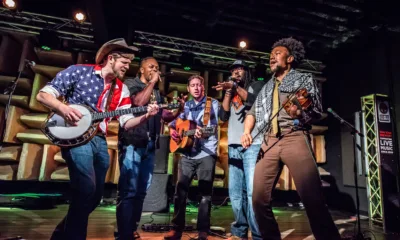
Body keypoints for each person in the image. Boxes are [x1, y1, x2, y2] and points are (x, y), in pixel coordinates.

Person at [36, 38, 160, 240]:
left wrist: (146, 115)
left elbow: (126, 122)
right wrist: (63, 109)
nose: (127, 68)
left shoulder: (121, 89)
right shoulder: (78, 71)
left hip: (99, 140)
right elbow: (43, 95)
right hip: (76, 137)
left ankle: (60, 235)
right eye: (124, 63)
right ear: (111, 58)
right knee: (85, 188)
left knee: (93, 197)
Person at [240, 37, 341, 240]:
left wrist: (300, 114)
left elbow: (314, 112)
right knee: (258, 199)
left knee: (312, 198)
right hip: (269, 141)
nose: (272, 56)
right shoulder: (266, 87)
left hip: (294, 137)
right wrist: (246, 132)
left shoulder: (302, 79)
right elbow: (251, 113)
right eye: (271, 54)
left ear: (290, 58)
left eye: (277, 53)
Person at [116, 56, 184, 240]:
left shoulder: (156, 93)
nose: (155, 70)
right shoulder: (131, 84)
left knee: (141, 192)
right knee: (128, 190)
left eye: (157, 68)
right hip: (132, 142)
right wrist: (153, 82)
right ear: (142, 70)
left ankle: (131, 229)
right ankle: (122, 232)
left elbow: (164, 117)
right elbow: (138, 103)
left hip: (149, 145)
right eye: (151, 67)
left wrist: (178, 110)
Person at [212, 60, 265, 240]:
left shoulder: (256, 85)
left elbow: (253, 102)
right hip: (234, 145)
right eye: (233, 70)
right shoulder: (232, 91)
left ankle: (258, 235)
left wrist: (235, 86)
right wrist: (228, 92)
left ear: (247, 71)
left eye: (239, 69)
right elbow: (223, 115)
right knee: (235, 193)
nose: (235, 72)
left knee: (251, 193)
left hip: (252, 144)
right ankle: (239, 231)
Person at [164, 75, 219, 240]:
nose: (196, 88)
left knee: (205, 194)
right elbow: (173, 125)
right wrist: (172, 131)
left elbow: (212, 129)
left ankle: (203, 230)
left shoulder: (212, 104)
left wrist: (202, 132)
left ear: (203, 87)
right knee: (179, 192)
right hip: (187, 154)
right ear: (188, 89)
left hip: (206, 153)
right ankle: (176, 229)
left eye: (199, 85)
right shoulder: (185, 106)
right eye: (193, 85)